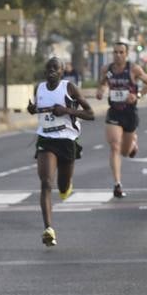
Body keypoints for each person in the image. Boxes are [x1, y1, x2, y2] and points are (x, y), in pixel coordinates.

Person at [26, 56, 94, 247]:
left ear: (63, 71)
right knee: (46, 182)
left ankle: (66, 187)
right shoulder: (38, 88)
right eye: (48, 68)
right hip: (46, 139)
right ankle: (48, 229)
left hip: (66, 140)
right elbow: (38, 109)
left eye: (55, 68)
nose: (51, 71)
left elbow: (90, 114)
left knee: (63, 186)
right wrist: (32, 109)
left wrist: (67, 111)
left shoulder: (69, 88)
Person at [95, 40, 147, 198]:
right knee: (114, 146)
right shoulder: (107, 69)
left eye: (121, 52)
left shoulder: (133, 69)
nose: (118, 55)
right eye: (115, 52)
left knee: (125, 152)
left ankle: (133, 143)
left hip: (129, 113)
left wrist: (137, 95)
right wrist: (100, 91)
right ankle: (117, 184)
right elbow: (102, 84)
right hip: (114, 112)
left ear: (126, 54)